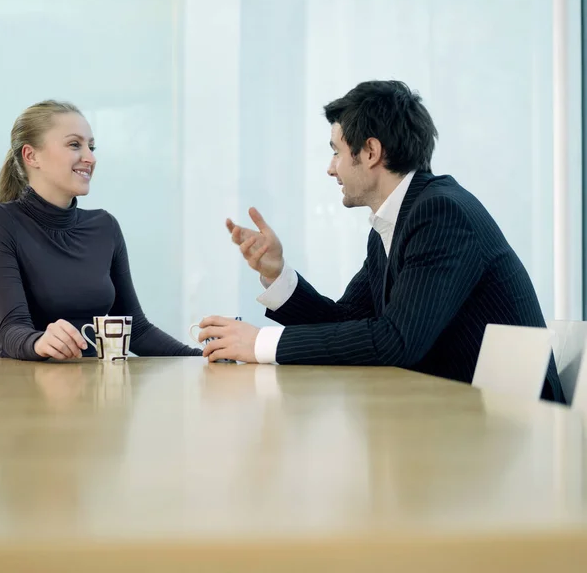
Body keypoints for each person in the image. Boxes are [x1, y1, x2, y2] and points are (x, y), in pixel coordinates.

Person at [197, 80, 565, 404]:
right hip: (457, 414)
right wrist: (277, 274)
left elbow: (396, 341)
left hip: (515, 432)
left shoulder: (440, 214)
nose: (330, 168)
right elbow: (345, 321)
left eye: (336, 151)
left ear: (370, 152)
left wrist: (260, 344)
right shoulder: (394, 221)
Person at [0, 100, 201, 360]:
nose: (90, 157)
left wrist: (200, 358)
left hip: (90, 390)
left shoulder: (105, 227)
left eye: (91, 146)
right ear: (31, 156)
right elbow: (11, 331)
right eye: (74, 144)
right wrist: (39, 341)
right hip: (20, 391)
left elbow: (136, 330)